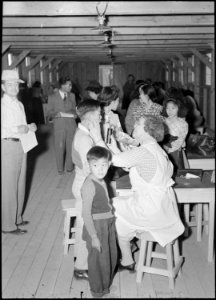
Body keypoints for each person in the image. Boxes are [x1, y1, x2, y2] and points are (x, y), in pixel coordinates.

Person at [109, 115, 185, 270]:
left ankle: (127, 255)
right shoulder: (158, 149)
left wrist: (101, 141)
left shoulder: (144, 152)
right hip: (163, 208)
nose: (134, 125)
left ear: (147, 130)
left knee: (110, 208)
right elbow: (130, 161)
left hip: (150, 210)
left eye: (138, 124)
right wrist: (121, 146)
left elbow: (115, 160)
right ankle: (127, 257)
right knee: (120, 208)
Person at [71, 99, 107, 279]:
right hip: (86, 187)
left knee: (84, 224)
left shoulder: (84, 133)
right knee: (85, 226)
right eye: (99, 113)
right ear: (89, 117)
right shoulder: (84, 138)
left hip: (84, 184)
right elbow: (93, 169)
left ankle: (82, 263)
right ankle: (81, 267)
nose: (101, 116)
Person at [1, 69, 37, 235]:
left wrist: (30, 127)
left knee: (20, 183)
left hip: (22, 144)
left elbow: (22, 126)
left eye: (16, 84)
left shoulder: (19, 104)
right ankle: (8, 225)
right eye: (10, 84)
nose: (13, 87)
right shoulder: (2, 105)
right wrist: (19, 128)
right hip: (7, 146)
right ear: (3, 87)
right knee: (8, 186)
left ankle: (17, 217)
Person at [81, 146, 118, 298]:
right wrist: (94, 237)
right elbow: (86, 213)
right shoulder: (89, 184)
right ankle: (97, 290)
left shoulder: (101, 179)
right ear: (88, 165)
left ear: (109, 164)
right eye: (95, 165)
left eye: (103, 165)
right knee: (97, 260)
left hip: (106, 222)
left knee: (109, 256)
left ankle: (105, 285)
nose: (100, 169)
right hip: (96, 226)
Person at [46, 76, 77, 174]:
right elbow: (49, 114)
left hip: (71, 125)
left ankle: (69, 167)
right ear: (62, 86)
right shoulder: (52, 97)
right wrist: (56, 114)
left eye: (71, 85)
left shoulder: (72, 96)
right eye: (69, 85)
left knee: (71, 147)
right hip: (59, 126)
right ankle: (60, 169)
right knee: (59, 147)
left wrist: (75, 114)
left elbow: (74, 110)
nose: (71, 87)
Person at [162, 98, 189, 172]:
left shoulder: (183, 124)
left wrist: (169, 149)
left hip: (175, 152)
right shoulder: (163, 121)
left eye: (173, 108)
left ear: (179, 108)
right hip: (162, 150)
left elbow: (180, 140)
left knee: (175, 172)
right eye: (167, 108)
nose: (170, 111)